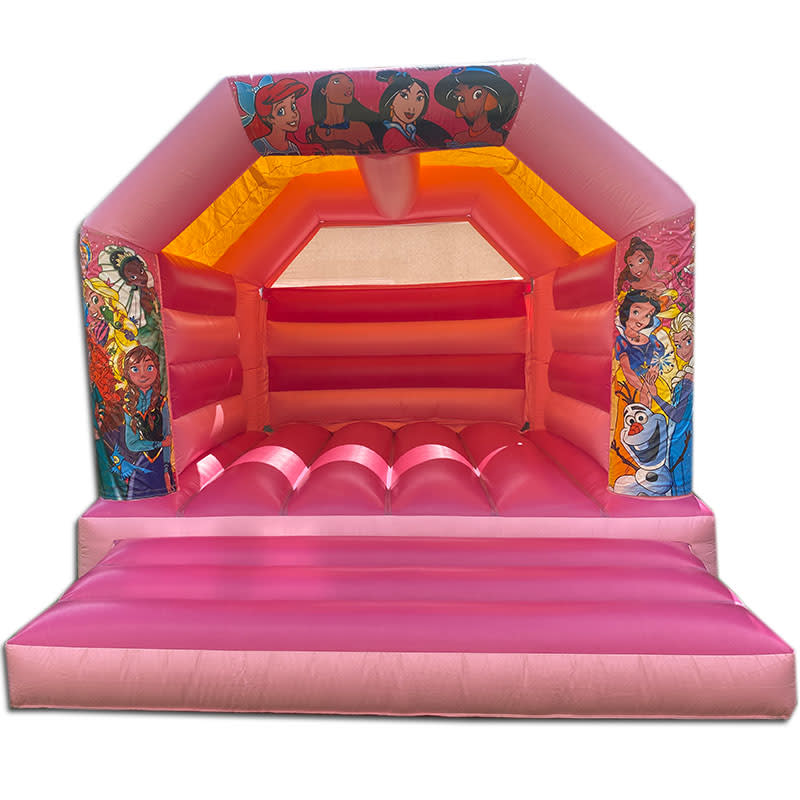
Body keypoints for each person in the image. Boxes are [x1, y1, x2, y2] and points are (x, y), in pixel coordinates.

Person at [121, 345, 173, 497]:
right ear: (128, 373)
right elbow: (132, 443)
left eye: (149, 367)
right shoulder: (129, 407)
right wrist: (159, 444)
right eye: (135, 369)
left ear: (156, 369)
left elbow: (167, 437)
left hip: (159, 464)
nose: (143, 374)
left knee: (164, 498)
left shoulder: (161, 403)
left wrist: (166, 469)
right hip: (141, 465)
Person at [433, 66, 519, 145]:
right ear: (458, 110)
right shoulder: (459, 139)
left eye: (477, 95)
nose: (468, 104)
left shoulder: (501, 138)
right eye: (461, 99)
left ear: (490, 100)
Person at [374, 70, 451, 152]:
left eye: (419, 98)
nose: (412, 107)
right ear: (390, 100)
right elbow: (410, 153)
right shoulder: (392, 133)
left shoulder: (412, 132)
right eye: (404, 96)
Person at [305, 72, 380, 154]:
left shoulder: (360, 128)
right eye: (336, 81)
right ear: (323, 90)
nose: (348, 86)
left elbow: (377, 158)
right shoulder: (311, 132)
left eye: (349, 81)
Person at [249, 78, 320, 156]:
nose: (293, 114)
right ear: (270, 119)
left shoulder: (293, 148)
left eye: (293, 106)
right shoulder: (260, 146)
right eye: (281, 111)